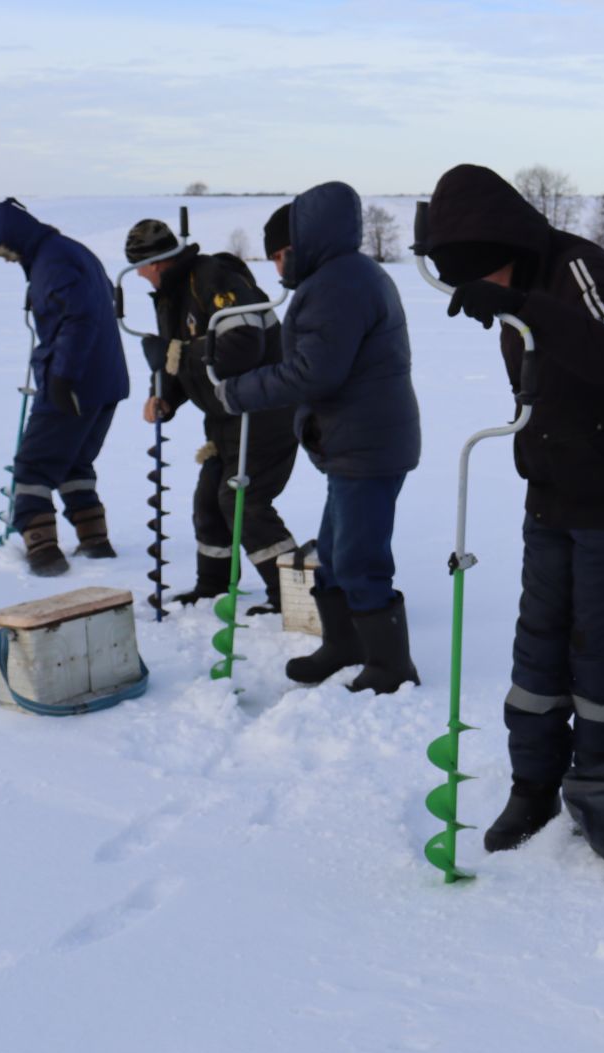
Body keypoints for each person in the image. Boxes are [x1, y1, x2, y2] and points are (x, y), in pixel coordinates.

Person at [418, 164, 604, 852]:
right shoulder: (517, 295)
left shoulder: (578, 268)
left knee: (600, 664)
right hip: (552, 501)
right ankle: (532, 786)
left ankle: (601, 794)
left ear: (501, 250)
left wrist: (530, 309)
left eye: (479, 276)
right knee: (536, 658)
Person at [214, 185, 422, 694]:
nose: (278, 268)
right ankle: (344, 644)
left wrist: (238, 391)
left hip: (367, 445)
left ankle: (391, 666)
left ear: (304, 242)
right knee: (333, 550)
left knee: (359, 557)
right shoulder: (342, 276)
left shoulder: (339, 284)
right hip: (352, 441)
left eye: (280, 255)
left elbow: (315, 372)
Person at [123, 219, 299, 614]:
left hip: (266, 408)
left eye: (141, 266)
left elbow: (240, 348)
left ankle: (293, 594)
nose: (139, 275)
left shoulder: (213, 278)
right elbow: (186, 364)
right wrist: (165, 397)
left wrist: (174, 355)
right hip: (225, 416)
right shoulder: (170, 296)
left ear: (158, 261)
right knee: (209, 499)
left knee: (243, 500)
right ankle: (214, 585)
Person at [0, 199, 130, 576]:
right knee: (74, 463)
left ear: (13, 238)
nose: (7, 260)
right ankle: (95, 542)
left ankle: (43, 553)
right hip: (106, 380)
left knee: (33, 466)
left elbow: (77, 318)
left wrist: (62, 376)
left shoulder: (53, 262)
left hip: (74, 381)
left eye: (4, 252)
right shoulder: (73, 252)